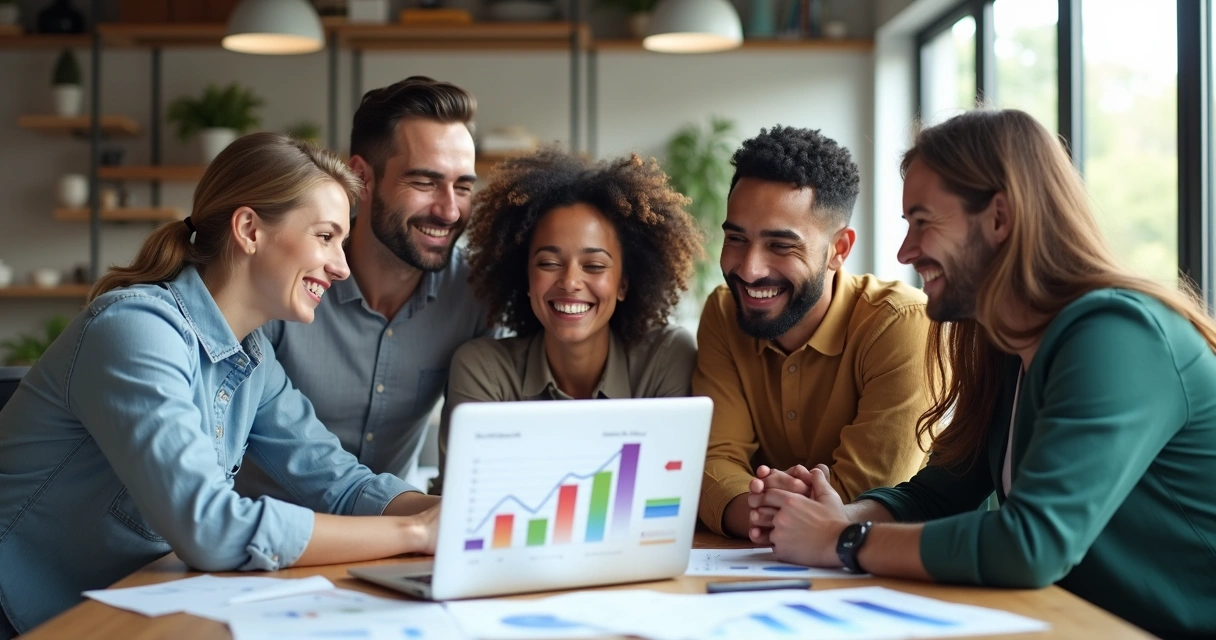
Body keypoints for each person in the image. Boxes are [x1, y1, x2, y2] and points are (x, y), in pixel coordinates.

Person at [751, 110, 1216, 640]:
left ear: (1000, 218)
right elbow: (937, 494)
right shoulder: (1007, 346)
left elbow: (1030, 545)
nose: (905, 251)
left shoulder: (1118, 335)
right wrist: (844, 515)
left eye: (923, 221)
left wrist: (843, 542)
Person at [0, 134, 439, 638]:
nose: (341, 266)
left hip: (121, 612)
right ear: (249, 229)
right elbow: (210, 527)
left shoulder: (253, 357)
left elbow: (339, 482)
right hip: (22, 616)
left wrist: (446, 515)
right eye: (325, 237)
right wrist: (416, 531)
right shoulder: (136, 330)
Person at [236, 76, 492, 498]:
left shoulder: (476, 293)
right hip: (268, 538)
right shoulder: (286, 281)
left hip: (388, 538)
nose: (449, 210)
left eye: (463, 186)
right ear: (361, 178)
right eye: (425, 183)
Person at [694, 125, 934, 540]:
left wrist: (763, 509)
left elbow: (875, 493)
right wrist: (756, 513)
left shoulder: (902, 324)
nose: (749, 269)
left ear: (839, 250)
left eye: (780, 245)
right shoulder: (722, 311)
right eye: (736, 238)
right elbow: (712, 461)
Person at [431, 149, 703, 493]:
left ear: (623, 284)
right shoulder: (483, 370)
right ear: (525, 278)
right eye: (548, 263)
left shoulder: (666, 358)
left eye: (594, 266)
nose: (571, 282)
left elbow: (669, 495)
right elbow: (469, 504)